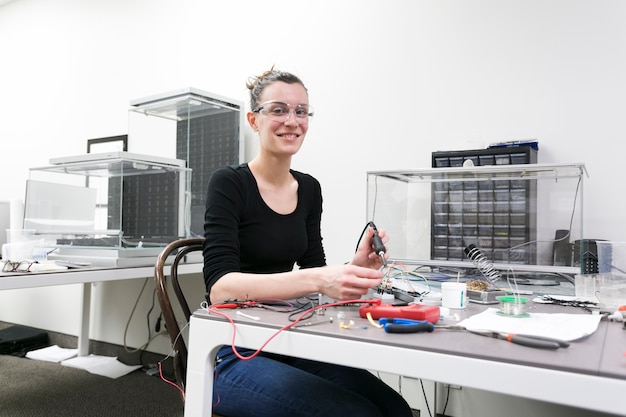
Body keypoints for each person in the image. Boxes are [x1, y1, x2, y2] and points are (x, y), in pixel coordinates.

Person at [202, 68, 413, 417]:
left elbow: (316, 269)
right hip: (231, 350)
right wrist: (319, 279)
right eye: (279, 109)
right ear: (254, 120)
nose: (292, 120)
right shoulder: (229, 183)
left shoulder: (309, 188)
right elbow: (220, 288)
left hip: (288, 339)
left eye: (301, 111)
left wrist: (354, 268)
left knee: (395, 409)